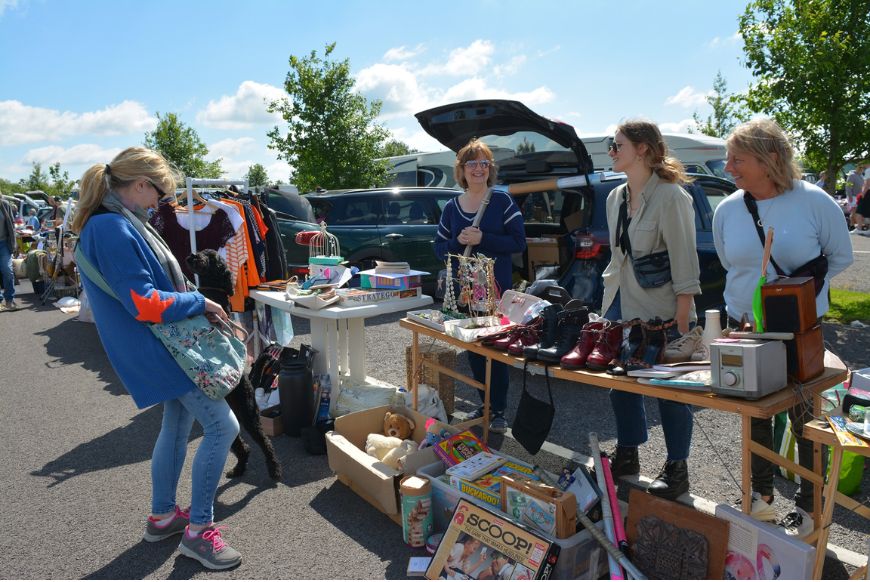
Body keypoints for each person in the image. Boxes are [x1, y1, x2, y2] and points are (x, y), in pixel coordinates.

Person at [73, 147, 242, 570]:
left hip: (154, 345)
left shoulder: (111, 223)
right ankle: (200, 532)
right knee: (223, 426)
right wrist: (198, 300)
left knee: (178, 422)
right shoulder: (113, 227)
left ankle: (163, 515)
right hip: (159, 346)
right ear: (140, 184)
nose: (162, 201)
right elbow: (143, 303)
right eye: (160, 191)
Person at [713, 118, 853, 535]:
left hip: (800, 329)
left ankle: (810, 511)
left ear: (769, 158)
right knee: (754, 415)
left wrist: (796, 293)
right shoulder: (728, 208)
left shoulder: (815, 201)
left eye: (737, 159)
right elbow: (730, 264)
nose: (727, 168)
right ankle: (762, 501)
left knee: (804, 418)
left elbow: (840, 257)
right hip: (746, 326)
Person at [601, 120, 701, 500]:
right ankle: (628, 453)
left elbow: (684, 258)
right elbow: (618, 257)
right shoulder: (615, 198)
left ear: (642, 149)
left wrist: (683, 312)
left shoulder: (672, 196)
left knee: (669, 392)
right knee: (620, 385)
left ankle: (677, 469)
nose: (611, 150)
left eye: (617, 144)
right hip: (621, 304)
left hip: (663, 309)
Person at [435, 138, 526, 434]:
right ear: (461, 170)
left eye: (483, 162)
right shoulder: (451, 207)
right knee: (474, 350)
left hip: (495, 292)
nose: (478, 168)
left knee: (495, 351)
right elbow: (439, 249)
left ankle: (498, 410)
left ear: (490, 168)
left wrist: (481, 239)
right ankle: (486, 403)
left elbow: (518, 243)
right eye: (472, 163)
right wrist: (458, 241)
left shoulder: (502, 201)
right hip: (464, 292)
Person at [0, 191, 19, 311]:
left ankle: (9, 300)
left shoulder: (5, 205)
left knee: (7, 270)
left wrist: (14, 243)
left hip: (4, 243)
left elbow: (11, 226)